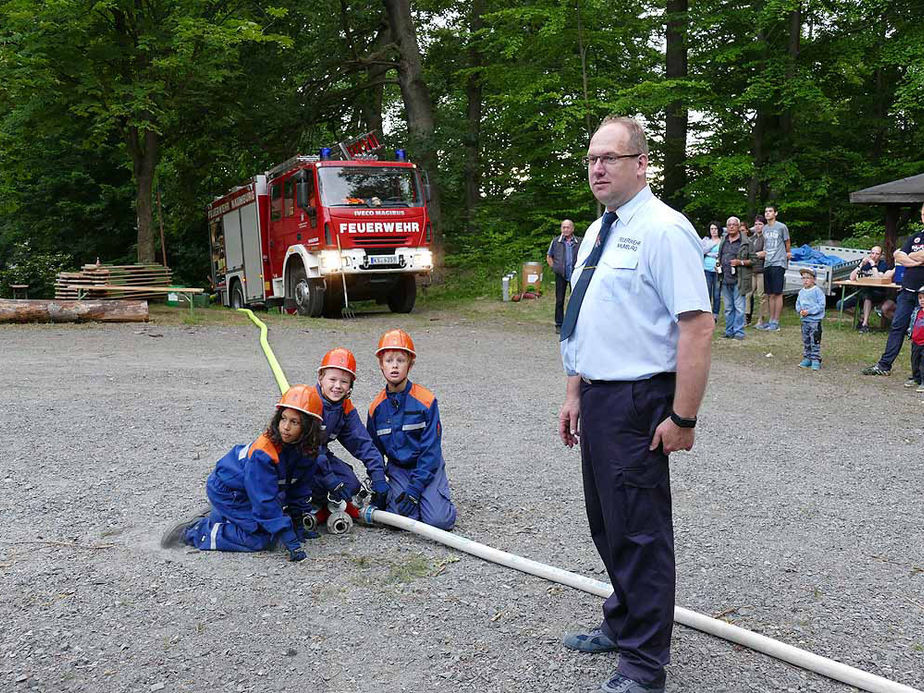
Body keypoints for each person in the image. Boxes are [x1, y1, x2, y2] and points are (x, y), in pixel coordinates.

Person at [558, 116, 713, 693]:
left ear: (641, 164)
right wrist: (575, 390)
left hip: (638, 399)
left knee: (640, 533)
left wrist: (683, 417)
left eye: (610, 158)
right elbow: (588, 319)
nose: (597, 168)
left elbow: (696, 327)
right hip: (599, 396)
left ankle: (644, 666)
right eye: (592, 158)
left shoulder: (665, 230)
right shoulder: (600, 230)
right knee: (608, 525)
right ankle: (623, 624)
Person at [160, 385, 330, 562]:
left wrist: (297, 523)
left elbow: (299, 488)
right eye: (283, 419)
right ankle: (195, 531)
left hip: (250, 490)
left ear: (309, 427)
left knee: (270, 521)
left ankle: (223, 515)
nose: (285, 427)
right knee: (261, 538)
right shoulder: (264, 453)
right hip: (228, 490)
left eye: (294, 422)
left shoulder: (309, 450)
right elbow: (264, 501)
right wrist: (287, 536)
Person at [367, 329, 457, 529]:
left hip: (426, 466)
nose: (395, 366)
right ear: (381, 365)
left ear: (410, 364)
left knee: (439, 521)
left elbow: (431, 450)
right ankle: (407, 499)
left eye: (401, 360)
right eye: (389, 360)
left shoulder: (426, 401)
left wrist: (416, 489)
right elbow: (373, 452)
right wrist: (379, 483)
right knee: (398, 521)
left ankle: (436, 496)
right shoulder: (376, 409)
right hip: (399, 469)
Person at [314, 347, 391, 509]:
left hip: (320, 457)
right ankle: (301, 505)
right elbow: (307, 449)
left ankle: (323, 504)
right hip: (295, 459)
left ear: (350, 385)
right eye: (332, 379)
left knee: (350, 484)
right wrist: (330, 480)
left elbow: (363, 443)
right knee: (308, 480)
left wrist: (378, 477)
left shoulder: (344, 408)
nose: (337, 386)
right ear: (321, 378)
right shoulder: (308, 402)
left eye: (344, 381)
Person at [862, 204, 924, 376]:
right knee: (897, 326)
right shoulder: (916, 237)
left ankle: (919, 373)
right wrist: (915, 260)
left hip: (923, 294)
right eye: (923, 214)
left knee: (921, 332)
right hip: (907, 290)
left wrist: (909, 257)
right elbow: (898, 254)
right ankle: (884, 365)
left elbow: (910, 256)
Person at [716, 216, 754, 340]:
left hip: (739, 279)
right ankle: (729, 331)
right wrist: (718, 264)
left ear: (738, 227)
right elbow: (719, 256)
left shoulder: (746, 242)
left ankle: (739, 332)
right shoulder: (723, 241)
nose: (731, 227)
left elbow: (754, 260)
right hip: (725, 279)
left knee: (739, 307)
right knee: (727, 308)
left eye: (734, 224)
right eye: (729, 225)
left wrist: (740, 262)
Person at [756, 204, 791, 331]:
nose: (767, 213)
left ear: (775, 213)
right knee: (770, 293)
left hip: (778, 262)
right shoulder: (764, 228)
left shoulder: (781, 227)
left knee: (778, 293)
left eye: (770, 211)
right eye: (766, 211)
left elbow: (787, 242)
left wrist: (786, 256)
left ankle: (776, 321)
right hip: (768, 263)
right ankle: (771, 320)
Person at [548, 219, 583, 334]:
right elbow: (549, 257)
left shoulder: (579, 242)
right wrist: (555, 268)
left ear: (572, 229)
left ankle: (575, 323)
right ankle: (559, 324)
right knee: (559, 300)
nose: (566, 229)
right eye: (563, 227)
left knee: (575, 300)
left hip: (575, 274)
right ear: (561, 229)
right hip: (561, 275)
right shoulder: (555, 241)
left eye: (568, 227)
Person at [848, 246, 892, 333]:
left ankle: (865, 325)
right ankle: (862, 319)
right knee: (840, 305)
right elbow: (852, 277)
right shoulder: (865, 264)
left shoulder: (883, 265)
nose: (874, 255)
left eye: (877, 254)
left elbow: (878, 279)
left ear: (881, 256)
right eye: (872, 253)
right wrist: (861, 265)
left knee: (867, 296)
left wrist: (873, 265)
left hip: (878, 292)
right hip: (861, 292)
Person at [795, 268, 825, 370]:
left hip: (815, 322)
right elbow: (798, 303)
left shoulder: (818, 291)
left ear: (814, 279)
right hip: (804, 321)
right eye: (803, 278)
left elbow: (821, 305)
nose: (805, 280)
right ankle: (807, 358)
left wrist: (810, 311)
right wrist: (800, 310)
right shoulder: (801, 292)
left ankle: (815, 359)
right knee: (806, 340)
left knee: (815, 340)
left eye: (808, 278)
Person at [701, 221, 722, 320]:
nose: (713, 231)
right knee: (707, 292)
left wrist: (710, 253)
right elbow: (702, 250)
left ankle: (715, 314)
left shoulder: (722, 240)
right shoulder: (706, 240)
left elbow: (721, 254)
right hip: (707, 268)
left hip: (718, 269)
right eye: (712, 229)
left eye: (715, 229)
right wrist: (713, 246)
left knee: (717, 294)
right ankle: (707, 314)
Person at [904, 288, 924, 392]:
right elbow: (912, 323)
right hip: (916, 341)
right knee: (914, 360)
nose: (922, 300)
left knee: (923, 362)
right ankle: (916, 378)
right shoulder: (916, 311)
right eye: (920, 298)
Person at [749, 214, 767, 327]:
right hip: (751, 269)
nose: (757, 226)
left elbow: (765, 253)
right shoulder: (751, 238)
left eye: (760, 224)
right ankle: (747, 317)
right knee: (748, 294)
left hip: (762, 270)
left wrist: (754, 255)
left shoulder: (766, 238)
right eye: (756, 224)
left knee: (761, 296)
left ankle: (761, 319)